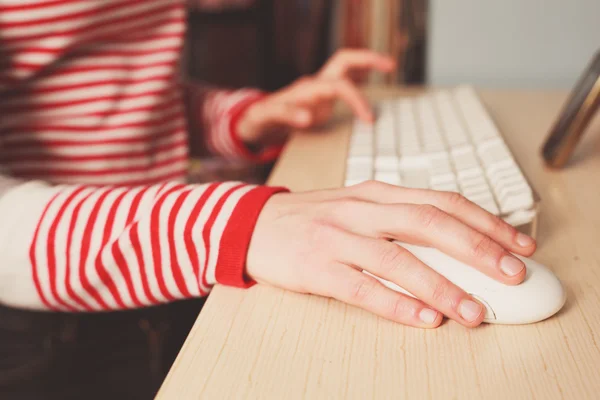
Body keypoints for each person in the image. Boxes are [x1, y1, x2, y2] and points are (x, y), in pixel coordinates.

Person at [0, 1, 536, 399]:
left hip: (168, 283)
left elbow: (126, 93)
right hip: (50, 330)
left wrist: (247, 117)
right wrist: (229, 225)